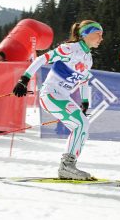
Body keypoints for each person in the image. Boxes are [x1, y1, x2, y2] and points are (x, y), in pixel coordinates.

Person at [12, 20, 104, 180]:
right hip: (50, 95)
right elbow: (42, 59)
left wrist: (85, 103)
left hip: (61, 96)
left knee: (81, 127)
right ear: (85, 34)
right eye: (98, 34)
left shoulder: (88, 58)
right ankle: (67, 167)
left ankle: (68, 166)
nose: (101, 38)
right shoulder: (70, 49)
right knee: (81, 124)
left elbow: (83, 81)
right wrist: (24, 79)